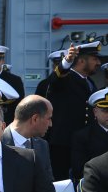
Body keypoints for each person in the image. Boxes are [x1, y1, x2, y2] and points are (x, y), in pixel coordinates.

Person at [43, 41, 101, 180]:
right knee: (62, 181)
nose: (98, 63)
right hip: (63, 143)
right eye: (94, 59)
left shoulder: (90, 82)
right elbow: (54, 80)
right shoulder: (66, 78)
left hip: (83, 141)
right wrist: (66, 62)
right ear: (81, 61)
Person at [70, 88, 108, 183]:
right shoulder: (83, 136)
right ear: (95, 112)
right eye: (106, 110)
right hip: (97, 182)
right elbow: (79, 170)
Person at [2, 94, 55, 179]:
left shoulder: (42, 145)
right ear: (35, 119)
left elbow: (48, 181)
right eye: (49, 118)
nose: (50, 124)